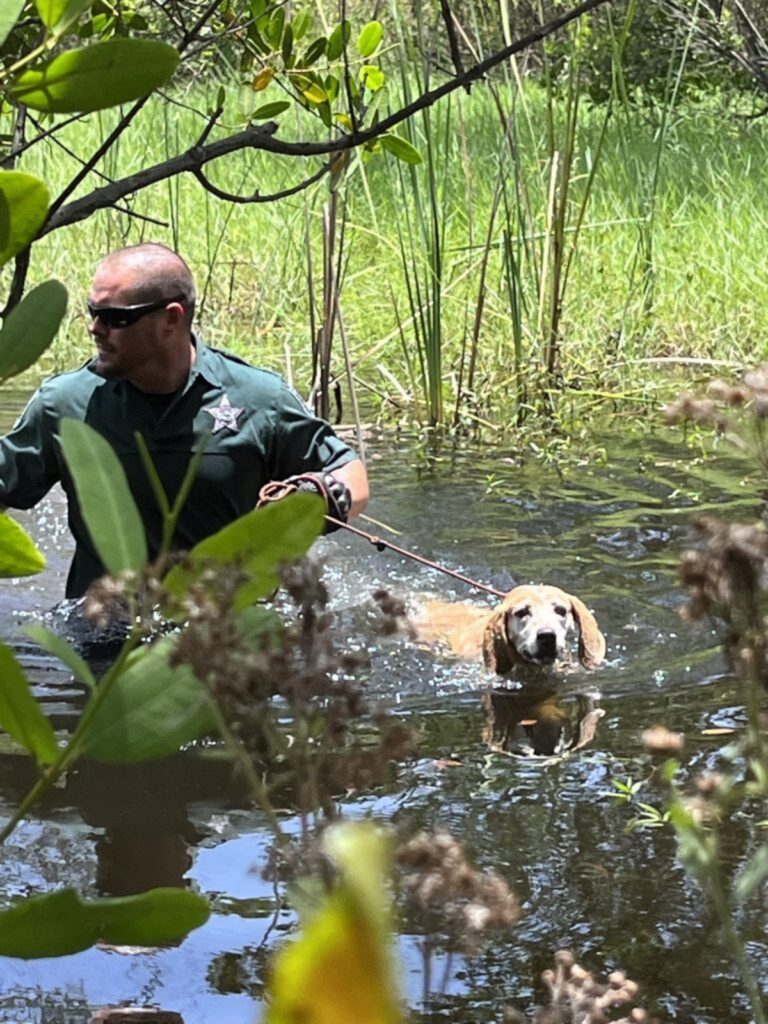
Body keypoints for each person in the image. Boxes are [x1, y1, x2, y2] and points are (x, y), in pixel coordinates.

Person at [0, 243, 369, 598]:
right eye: (92, 311)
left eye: (115, 318)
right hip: (104, 634)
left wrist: (319, 497)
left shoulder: (258, 399)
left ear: (170, 319)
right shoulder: (63, 404)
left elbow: (349, 471)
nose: (95, 328)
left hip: (222, 632)